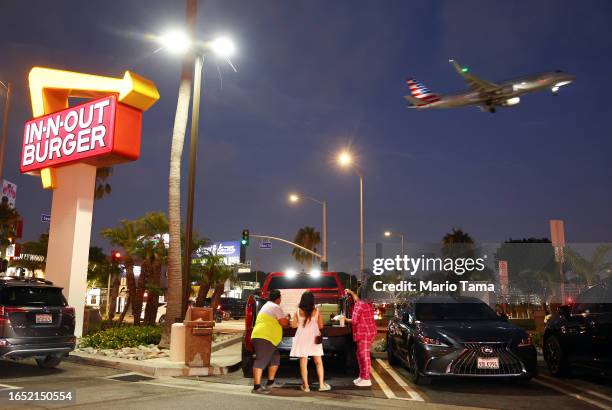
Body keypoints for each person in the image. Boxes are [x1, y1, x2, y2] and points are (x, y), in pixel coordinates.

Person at [290, 291, 331, 392]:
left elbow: (293, 326)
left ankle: (306, 386)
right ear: (312, 300)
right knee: (318, 362)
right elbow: (321, 326)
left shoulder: (298, 311)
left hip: (302, 338)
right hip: (314, 338)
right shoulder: (317, 311)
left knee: (303, 363)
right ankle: (321, 385)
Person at [250, 289, 289, 394]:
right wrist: (287, 319)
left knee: (275, 358)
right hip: (264, 337)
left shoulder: (267, 305)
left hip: (265, 337)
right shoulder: (275, 307)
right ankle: (256, 387)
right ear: (278, 298)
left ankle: (270, 382)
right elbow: (284, 323)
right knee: (260, 360)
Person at [343, 286, 376, 387]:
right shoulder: (368, 303)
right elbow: (357, 299)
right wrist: (351, 293)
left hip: (363, 332)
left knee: (364, 355)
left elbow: (354, 320)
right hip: (370, 331)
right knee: (360, 353)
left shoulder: (359, 304)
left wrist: (344, 318)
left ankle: (366, 378)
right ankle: (362, 376)